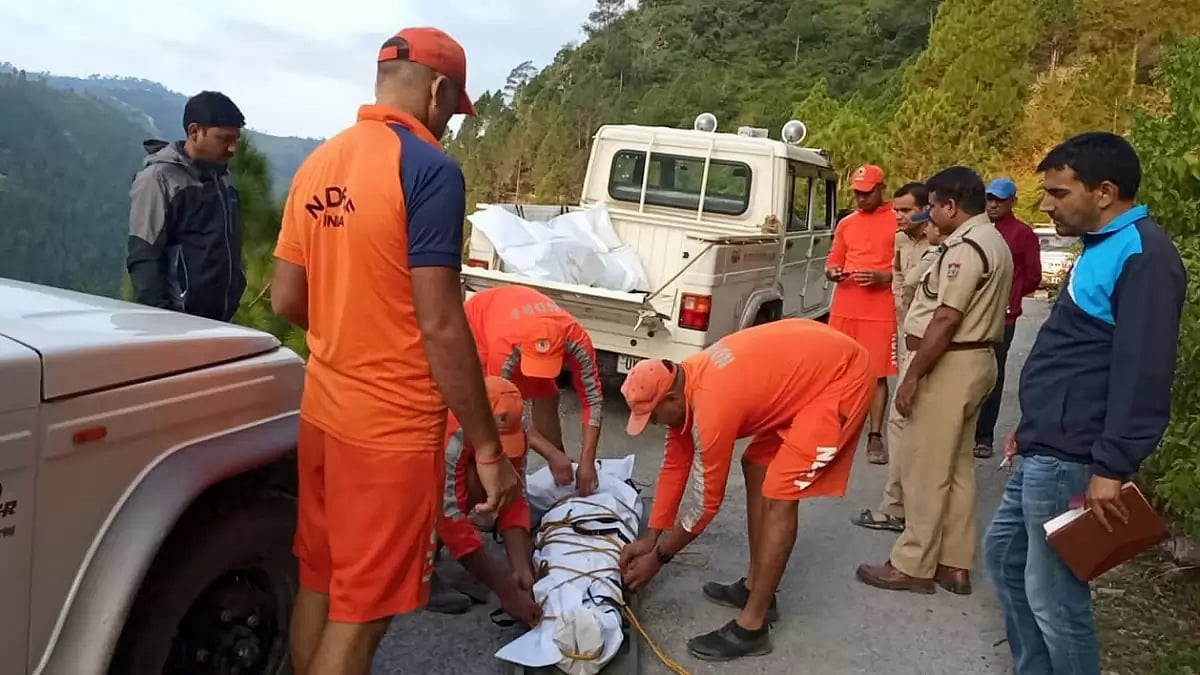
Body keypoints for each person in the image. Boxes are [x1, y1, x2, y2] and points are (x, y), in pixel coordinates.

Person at [269, 27, 521, 675]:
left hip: (323, 414)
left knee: (321, 583)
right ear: (439, 91)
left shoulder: (320, 161)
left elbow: (286, 297)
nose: (450, 124)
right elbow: (440, 323)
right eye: (452, 109)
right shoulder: (429, 169)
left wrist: (354, 326)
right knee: (363, 614)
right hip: (389, 432)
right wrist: (490, 452)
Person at [985, 132, 1186, 675]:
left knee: (1054, 597)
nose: (1046, 204)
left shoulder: (1144, 254)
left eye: (1056, 192)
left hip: (1074, 453)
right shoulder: (1104, 246)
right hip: (1046, 442)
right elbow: (1077, 353)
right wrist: (1029, 427)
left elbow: (1142, 371)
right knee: (1004, 558)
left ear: (1103, 191)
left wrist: (1112, 466)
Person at [618, 319, 872, 661]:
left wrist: (659, 558)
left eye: (654, 416)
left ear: (672, 397)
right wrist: (650, 538)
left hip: (841, 378)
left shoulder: (712, 406)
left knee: (782, 494)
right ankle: (756, 587)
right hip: (810, 371)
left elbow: (706, 504)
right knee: (756, 465)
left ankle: (753, 625)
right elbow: (675, 463)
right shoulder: (686, 378)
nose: (656, 424)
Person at [856, 166, 1013, 596]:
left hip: (950, 364)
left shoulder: (966, 247)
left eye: (933, 206)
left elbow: (945, 318)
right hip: (975, 360)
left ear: (951, 205)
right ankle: (954, 563)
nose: (927, 214)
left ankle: (912, 563)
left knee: (925, 467)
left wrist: (912, 378)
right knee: (957, 468)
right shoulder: (992, 241)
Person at [851, 182, 938, 531]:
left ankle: (913, 513)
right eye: (896, 209)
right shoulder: (901, 239)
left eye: (904, 210)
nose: (897, 216)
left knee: (918, 426)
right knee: (901, 424)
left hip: (931, 345)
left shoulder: (942, 244)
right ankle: (895, 505)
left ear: (927, 209)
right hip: (905, 336)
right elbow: (901, 282)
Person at [465, 285, 603, 496]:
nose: (537, 375)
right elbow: (499, 409)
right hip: (478, 326)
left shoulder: (578, 341)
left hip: (515, 317)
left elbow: (592, 401)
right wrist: (549, 453)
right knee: (494, 421)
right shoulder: (504, 346)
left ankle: (564, 472)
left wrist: (587, 460)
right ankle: (484, 491)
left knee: (549, 395)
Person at [126, 91, 247, 322]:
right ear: (194, 132)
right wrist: (165, 325)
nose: (232, 149)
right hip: (178, 326)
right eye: (224, 139)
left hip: (220, 322)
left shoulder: (221, 178)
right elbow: (144, 259)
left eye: (235, 140)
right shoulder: (159, 180)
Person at [434, 376, 545, 626]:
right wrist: (504, 588)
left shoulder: (519, 423)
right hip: (397, 477)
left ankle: (432, 547)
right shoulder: (452, 434)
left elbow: (515, 494)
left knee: (496, 479)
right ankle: (417, 567)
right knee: (438, 494)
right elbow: (449, 515)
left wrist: (521, 567)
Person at [825, 164, 899, 464]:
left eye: (867, 193)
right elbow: (834, 258)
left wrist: (884, 277)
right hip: (846, 305)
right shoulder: (847, 224)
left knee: (877, 374)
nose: (861, 199)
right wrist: (833, 272)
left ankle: (875, 435)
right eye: (857, 193)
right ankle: (836, 429)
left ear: (881, 189)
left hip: (880, 308)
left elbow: (912, 267)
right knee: (838, 370)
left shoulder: (897, 221)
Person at [973, 177, 1042, 459]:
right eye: (989, 199)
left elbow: (1033, 275)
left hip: (1004, 317)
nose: (993, 205)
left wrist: (1010, 297)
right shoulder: (976, 228)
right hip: (972, 313)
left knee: (993, 375)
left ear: (1012, 201)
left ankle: (984, 435)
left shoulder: (1022, 233)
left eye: (1000, 200)